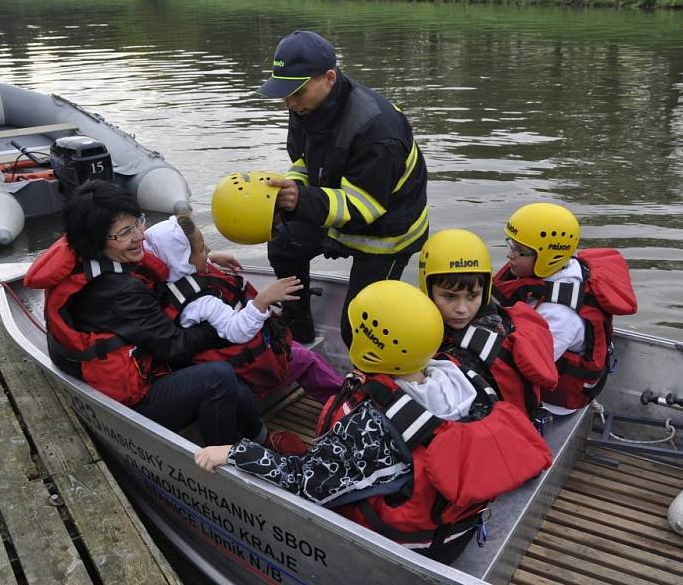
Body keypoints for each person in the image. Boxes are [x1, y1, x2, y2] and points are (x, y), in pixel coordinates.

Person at [195, 280, 551, 564]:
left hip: (407, 549)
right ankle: (325, 456)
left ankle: (313, 456)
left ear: (368, 348)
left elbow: (306, 486)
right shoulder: (468, 377)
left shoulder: (369, 423)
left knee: (305, 477)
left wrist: (237, 452)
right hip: (457, 530)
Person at [24, 180, 305, 453]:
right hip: (129, 400)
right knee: (218, 375)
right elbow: (174, 348)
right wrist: (219, 330)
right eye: (125, 233)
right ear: (98, 240)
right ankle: (228, 460)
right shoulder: (118, 291)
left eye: (137, 223)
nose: (139, 236)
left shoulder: (94, 257)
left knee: (224, 372)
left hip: (130, 358)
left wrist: (204, 259)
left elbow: (159, 259)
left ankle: (260, 436)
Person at [257, 30, 430, 347]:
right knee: (284, 244)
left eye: (297, 91)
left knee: (361, 327)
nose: (289, 102)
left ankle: (372, 385)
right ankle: (299, 327)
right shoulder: (304, 108)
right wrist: (289, 191)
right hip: (336, 212)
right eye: (284, 93)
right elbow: (303, 161)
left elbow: (364, 208)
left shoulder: (378, 130)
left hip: (387, 233)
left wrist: (298, 199)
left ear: (329, 78)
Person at [143, 214, 343, 402]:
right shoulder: (201, 302)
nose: (207, 252)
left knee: (302, 353)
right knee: (308, 360)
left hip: (232, 353)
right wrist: (262, 301)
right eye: (203, 249)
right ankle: (347, 404)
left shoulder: (172, 282)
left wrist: (210, 258)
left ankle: (343, 394)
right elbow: (236, 331)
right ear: (183, 260)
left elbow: (188, 263)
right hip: (246, 365)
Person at [493, 202, 638, 413]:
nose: (510, 255)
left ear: (548, 257)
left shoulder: (560, 314)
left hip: (554, 400)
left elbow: (529, 369)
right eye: (511, 245)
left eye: (519, 251)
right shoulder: (549, 272)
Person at [418, 229, 559, 427]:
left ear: (484, 292)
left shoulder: (466, 356)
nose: (462, 309)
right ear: (427, 288)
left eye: (472, 296)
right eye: (449, 297)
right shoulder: (500, 317)